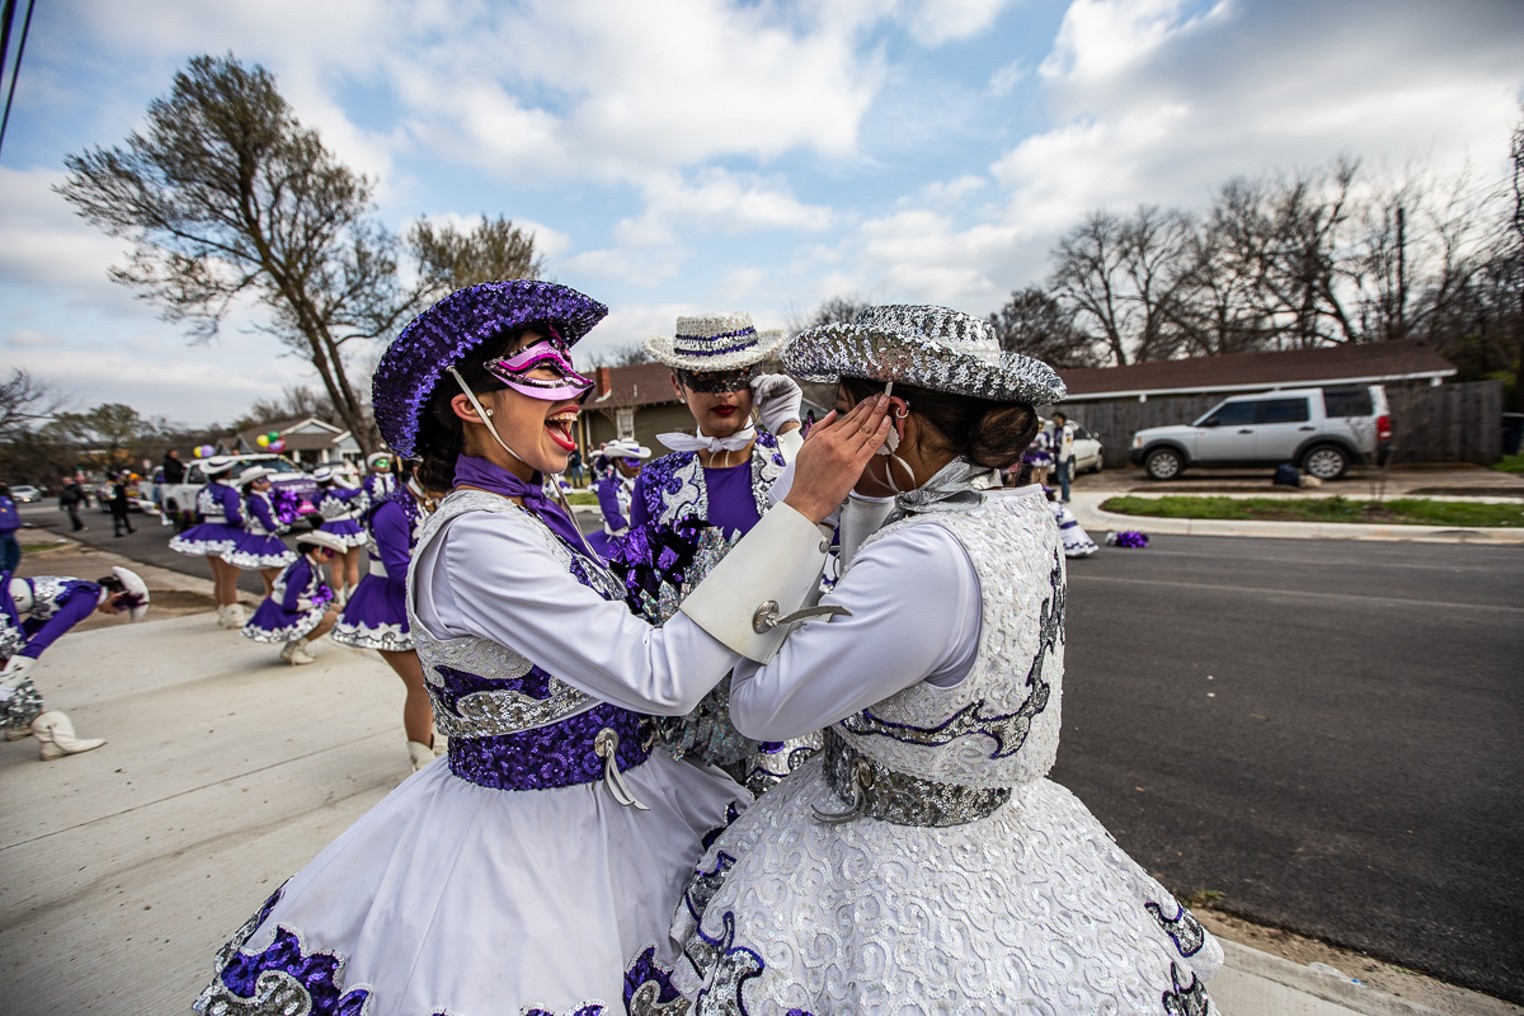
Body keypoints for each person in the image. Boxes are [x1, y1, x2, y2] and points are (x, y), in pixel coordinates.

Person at [192, 279, 886, 1014]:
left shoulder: (522, 514)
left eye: (574, 375)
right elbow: (658, 673)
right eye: (545, 376)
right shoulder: (478, 540)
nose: (576, 394)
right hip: (529, 846)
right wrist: (802, 507)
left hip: (628, 791)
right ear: (470, 404)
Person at [669, 305, 1224, 1013]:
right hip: (1002, 833)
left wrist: (801, 507)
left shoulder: (923, 559)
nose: (819, 433)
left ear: (891, 424)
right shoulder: (1020, 519)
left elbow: (758, 708)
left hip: (890, 863)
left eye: (839, 413)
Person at [621, 313, 816, 795]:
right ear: (677, 383)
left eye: (737, 377)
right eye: (705, 380)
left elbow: (830, 545)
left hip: (782, 686)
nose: (723, 393)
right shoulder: (656, 480)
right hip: (689, 705)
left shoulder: (796, 459)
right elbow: (640, 587)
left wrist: (791, 434)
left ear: (759, 380)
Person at [330, 464, 444, 770]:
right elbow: (398, 571)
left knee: (436, 681)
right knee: (422, 684)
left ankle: (428, 743)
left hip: (419, 599)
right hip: (388, 607)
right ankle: (421, 757)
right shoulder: (392, 511)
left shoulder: (428, 502)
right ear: (421, 470)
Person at [1, 566, 149, 759]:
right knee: (9, 669)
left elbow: (28, 630)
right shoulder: (86, 600)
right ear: (116, 595)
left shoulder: (81, 589)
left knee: (10, 659)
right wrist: (9, 683)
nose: (116, 614)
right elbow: (40, 641)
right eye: (122, 608)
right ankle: (53, 736)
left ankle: (21, 721)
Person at [242, 529, 344, 665]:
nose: (332, 558)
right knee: (331, 617)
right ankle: (294, 648)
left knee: (337, 609)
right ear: (316, 551)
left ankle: (297, 646)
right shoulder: (302, 571)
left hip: (291, 606)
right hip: (280, 613)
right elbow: (289, 603)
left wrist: (321, 601)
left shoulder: (309, 565)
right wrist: (316, 602)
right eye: (329, 553)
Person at [167, 456, 247, 629]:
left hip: (209, 532)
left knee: (219, 578)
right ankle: (234, 616)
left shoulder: (204, 490)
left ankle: (224, 613)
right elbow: (233, 516)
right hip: (226, 534)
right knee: (229, 579)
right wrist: (245, 520)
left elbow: (199, 513)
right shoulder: (228, 491)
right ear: (227, 472)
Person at [226, 466, 297, 599]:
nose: (267, 481)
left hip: (258, 538)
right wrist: (284, 526)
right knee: (279, 581)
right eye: (263, 479)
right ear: (254, 483)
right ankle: (279, 611)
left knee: (270, 583)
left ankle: (269, 612)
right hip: (265, 541)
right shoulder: (258, 500)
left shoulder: (254, 498)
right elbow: (269, 523)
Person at [585, 437, 649, 560]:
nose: (636, 465)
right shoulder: (607, 486)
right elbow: (615, 523)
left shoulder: (642, 482)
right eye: (631, 460)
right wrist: (638, 511)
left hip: (642, 541)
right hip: (616, 544)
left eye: (637, 460)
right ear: (617, 463)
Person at [310, 466, 368, 600]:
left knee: (336, 567)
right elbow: (361, 495)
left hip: (328, 529)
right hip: (348, 527)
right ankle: (353, 598)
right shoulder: (342, 493)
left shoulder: (316, 498)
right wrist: (354, 514)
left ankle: (340, 599)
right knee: (352, 566)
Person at [1053, 409, 1076, 502]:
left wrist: (1063, 457)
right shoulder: (1056, 429)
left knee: (1063, 477)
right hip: (1057, 456)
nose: (1055, 420)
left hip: (1065, 457)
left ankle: (1065, 497)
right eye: (1054, 418)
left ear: (1062, 419)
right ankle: (1064, 496)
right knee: (1060, 477)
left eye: (1057, 418)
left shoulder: (1067, 429)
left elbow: (1067, 444)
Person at [0, 484, 20, 572]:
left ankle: (6, 576)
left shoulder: (7, 499)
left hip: (9, 532)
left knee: (14, 555)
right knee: (2, 557)